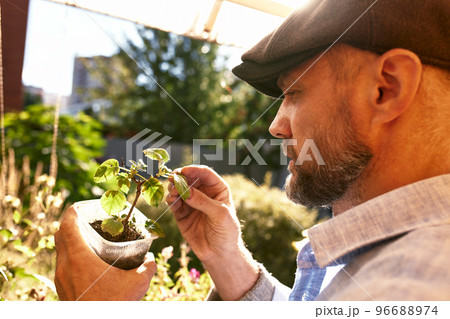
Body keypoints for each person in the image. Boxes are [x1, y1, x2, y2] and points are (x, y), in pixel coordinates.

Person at [54, 0, 450, 300]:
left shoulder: (415, 285)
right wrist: (226, 258)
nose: (276, 126)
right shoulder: (385, 260)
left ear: (387, 88)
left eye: (294, 92)